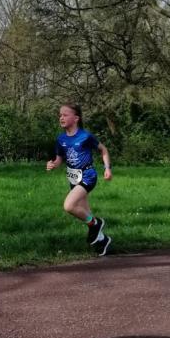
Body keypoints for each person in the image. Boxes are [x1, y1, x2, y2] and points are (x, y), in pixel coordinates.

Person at [46, 103, 113, 255]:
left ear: (76, 118)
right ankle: (103, 242)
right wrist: (52, 164)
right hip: (73, 178)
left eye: (65, 115)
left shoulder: (85, 136)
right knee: (85, 213)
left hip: (88, 176)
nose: (61, 117)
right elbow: (59, 159)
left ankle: (97, 223)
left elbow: (103, 150)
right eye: (60, 115)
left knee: (69, 206)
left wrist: (107, 168)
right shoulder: (61, 139)